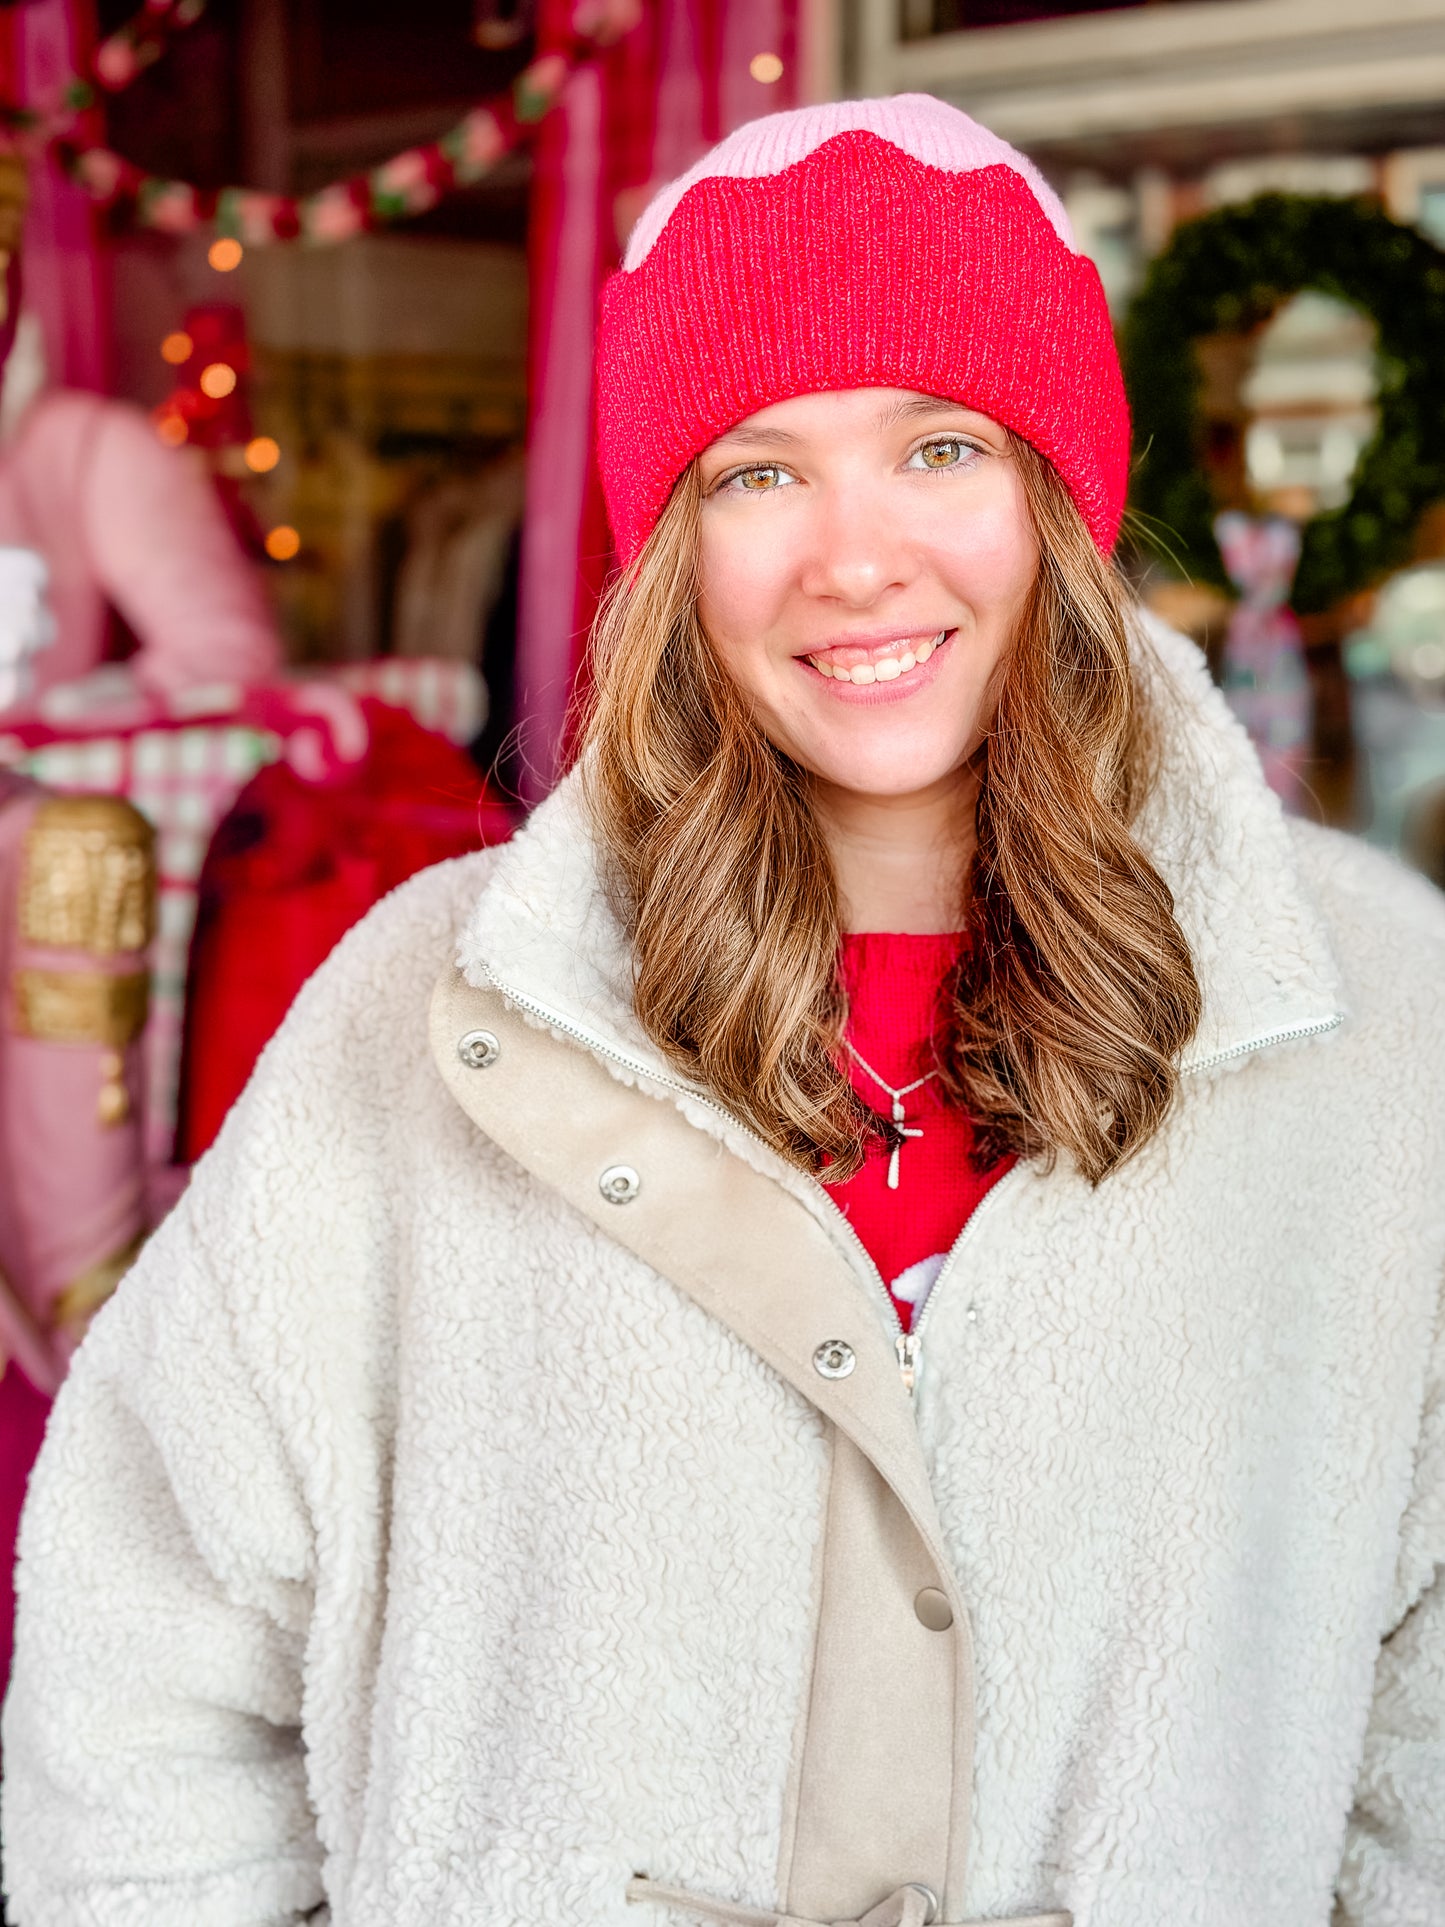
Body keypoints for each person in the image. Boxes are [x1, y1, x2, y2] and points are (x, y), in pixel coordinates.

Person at [4, 95, 1444, 1927]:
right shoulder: (424, 1016)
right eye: (759, 472)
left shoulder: (1372, 1018)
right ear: (671, 548)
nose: (856, 558)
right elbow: (145, 1647)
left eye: (936, 448)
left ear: (1058, 496)